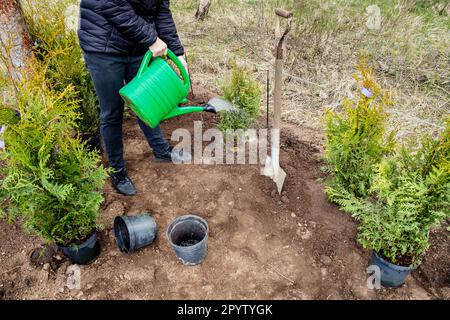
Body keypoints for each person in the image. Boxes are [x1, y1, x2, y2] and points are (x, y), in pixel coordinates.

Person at [78, 0, 191, 196]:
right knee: (112, 112)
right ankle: (117, 171)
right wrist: (152, 39)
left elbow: (161, 10)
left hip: (138, 46)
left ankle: (162, 150)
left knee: (146, 101)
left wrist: (178, 53)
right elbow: (110, 5)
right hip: (104, 47)